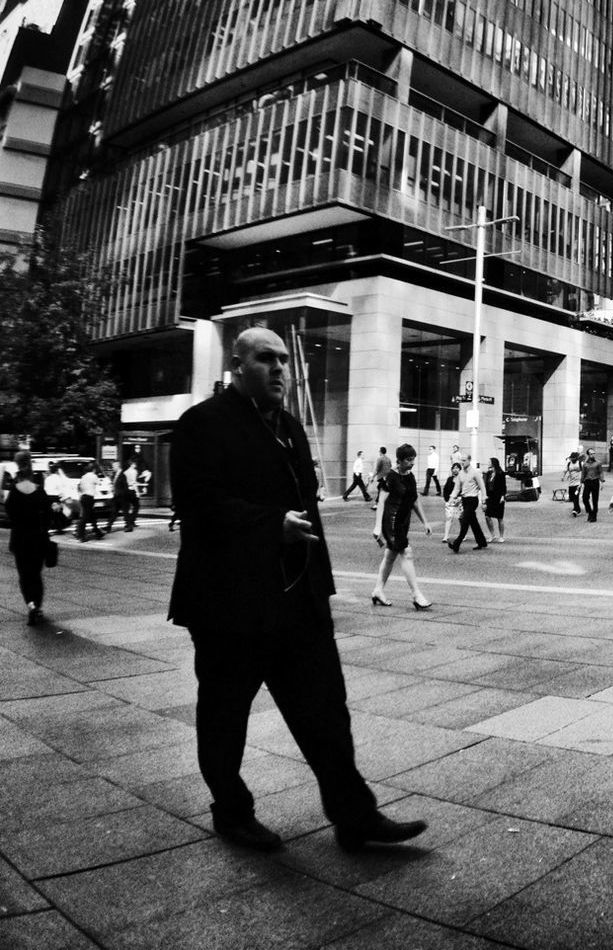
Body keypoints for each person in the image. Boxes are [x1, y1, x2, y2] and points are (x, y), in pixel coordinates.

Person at [168, 327, 425, 853]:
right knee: (223, 717)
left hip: (295, 601)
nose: (280, 369)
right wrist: (269, 526)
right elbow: (198, 505)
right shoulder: (202, 424)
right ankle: (232, 812)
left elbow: (308, 514)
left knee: (327, 711)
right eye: (267, 359)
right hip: (228, 607)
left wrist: (320, 590)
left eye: (285, 360)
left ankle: (354, 814)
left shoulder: (289, 426)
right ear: (238, 365)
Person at [370, 444, 432, 610]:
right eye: (408, 460)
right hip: (391, 521)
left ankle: (378, 590)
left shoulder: (410, 477)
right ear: (399, 460)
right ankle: (416, 594)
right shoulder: (390, 477)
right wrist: (377, 527)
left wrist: (425, 522)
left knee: (390, 556)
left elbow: (415, 500)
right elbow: (381, 502)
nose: (412, 463)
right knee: (406, 553)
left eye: (413, 459)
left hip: (403, 521)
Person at [5, 451, 52, 626]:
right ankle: (38, 606)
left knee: (24, 576)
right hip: (38, 539)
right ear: (32, 471)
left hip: (20, 540)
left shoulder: (14, 493)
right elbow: (48, 516)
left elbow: (10, 514)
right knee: (36, 574)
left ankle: (31, 605)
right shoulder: (40, 492)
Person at [448, 453, 488, 553]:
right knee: (473, 522)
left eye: (464, 460)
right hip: (465, 500)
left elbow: (482, 487)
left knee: (465, 521)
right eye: (461, 460)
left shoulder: (475, 472)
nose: (462, 462)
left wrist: (484, 500)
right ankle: (482, 542)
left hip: (473, 500)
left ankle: (456, 544)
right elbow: (457, 488)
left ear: (469, 460)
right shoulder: (460, 473)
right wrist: (452, 497)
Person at [76, 460, 104, 542]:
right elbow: (99, 483)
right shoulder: (93, 476)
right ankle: (80, 535)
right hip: (89, 498)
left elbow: (79, 487)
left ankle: (97, 532)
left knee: (92, 516)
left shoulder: (83, 477)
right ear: (94, 469)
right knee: (85, 517)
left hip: (83, 497)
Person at [483, 456, 507, 543]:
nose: (488, 463)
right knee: (487, 516)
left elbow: (503, 486)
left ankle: (501, 536)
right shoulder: (489, 473)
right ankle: (492, 535)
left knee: (499, 517)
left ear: (493, 463)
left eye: (489, 461)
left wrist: (503, 496)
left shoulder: (501, 473)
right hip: (490, 497)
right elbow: (486, 485)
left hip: (498, 497)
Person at [439, 462, 462, 544]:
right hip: (450, 501)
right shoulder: (449, 479)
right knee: (449, 518)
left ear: (460, 469)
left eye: (457, 468)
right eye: (454, 468)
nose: (455, 470)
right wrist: (447, 499)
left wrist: (459, 497)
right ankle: (446, 536)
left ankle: (462, 535)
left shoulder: (462, 479)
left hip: (460, 501)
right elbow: (445, 489)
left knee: (461, 518)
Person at [581, 448, 603, 522]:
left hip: (595, 481)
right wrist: (580, 483)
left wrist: (602, 481)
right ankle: (590, 512)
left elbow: (601, 472)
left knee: (595, 500)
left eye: (594, 453)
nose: (593, 455)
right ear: (588, 454)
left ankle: (594, 516)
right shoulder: (585, 464)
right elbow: (583, 474)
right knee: (585, 498)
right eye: (591, 454)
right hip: (587, 482)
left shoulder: (598, 463)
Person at [562, 451, 583, 516]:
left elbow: (584, 471)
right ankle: (578, 509)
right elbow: (565, 471)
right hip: (571, 483)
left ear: (576, 458)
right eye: (571, 458)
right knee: (572, 497)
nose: (572, 459)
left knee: (576, 496)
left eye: (573, 458)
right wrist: (563, 477)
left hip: (578, 483)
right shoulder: (569, 464)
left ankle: (575, 510)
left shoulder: (580, 463)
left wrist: (582, 481)